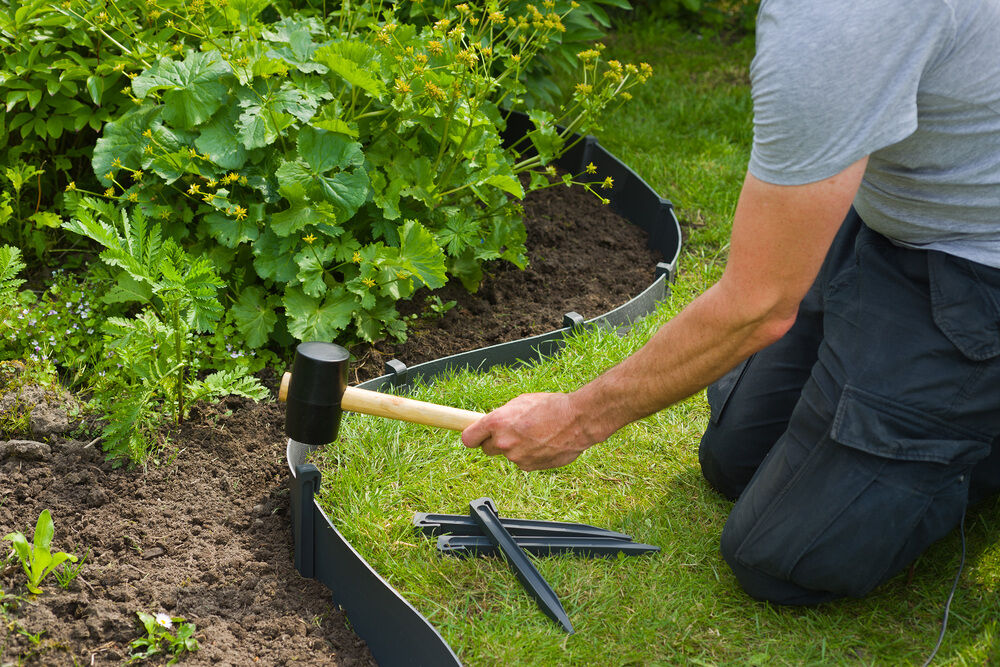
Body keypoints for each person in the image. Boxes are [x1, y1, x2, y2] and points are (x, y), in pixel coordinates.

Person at [460, 0, 1000, 604]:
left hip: (978, 267)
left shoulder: (837, 24)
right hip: (891, 224)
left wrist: (580, 416)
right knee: (733, 460)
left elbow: (760, 306)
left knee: (784, 560)